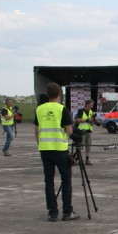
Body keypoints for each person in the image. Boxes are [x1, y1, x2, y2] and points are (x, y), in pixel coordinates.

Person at [34, 83, 79, 222]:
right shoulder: (62, 109)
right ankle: (67, 212)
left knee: (49, 181)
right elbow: (69, 130)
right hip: (60, 149)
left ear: (47, 94)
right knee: (66, 180)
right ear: (59, 94)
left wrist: (41, 144)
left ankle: (52, 212)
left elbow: (36, 131)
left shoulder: (39, 109)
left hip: (45, 149)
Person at [75, 99, 95, 165]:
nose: (92, 106)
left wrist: (92, 122)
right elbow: (78, 120)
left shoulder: (91, 112)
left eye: (92, 105)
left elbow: (91, 121)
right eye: (91, 105)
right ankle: (78, 159)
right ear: (87, 104)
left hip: (89, 131)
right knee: (80, 146)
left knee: (88, 146)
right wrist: (87, 120)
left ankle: (87, 159)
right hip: (81, 131)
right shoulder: (81, 111)